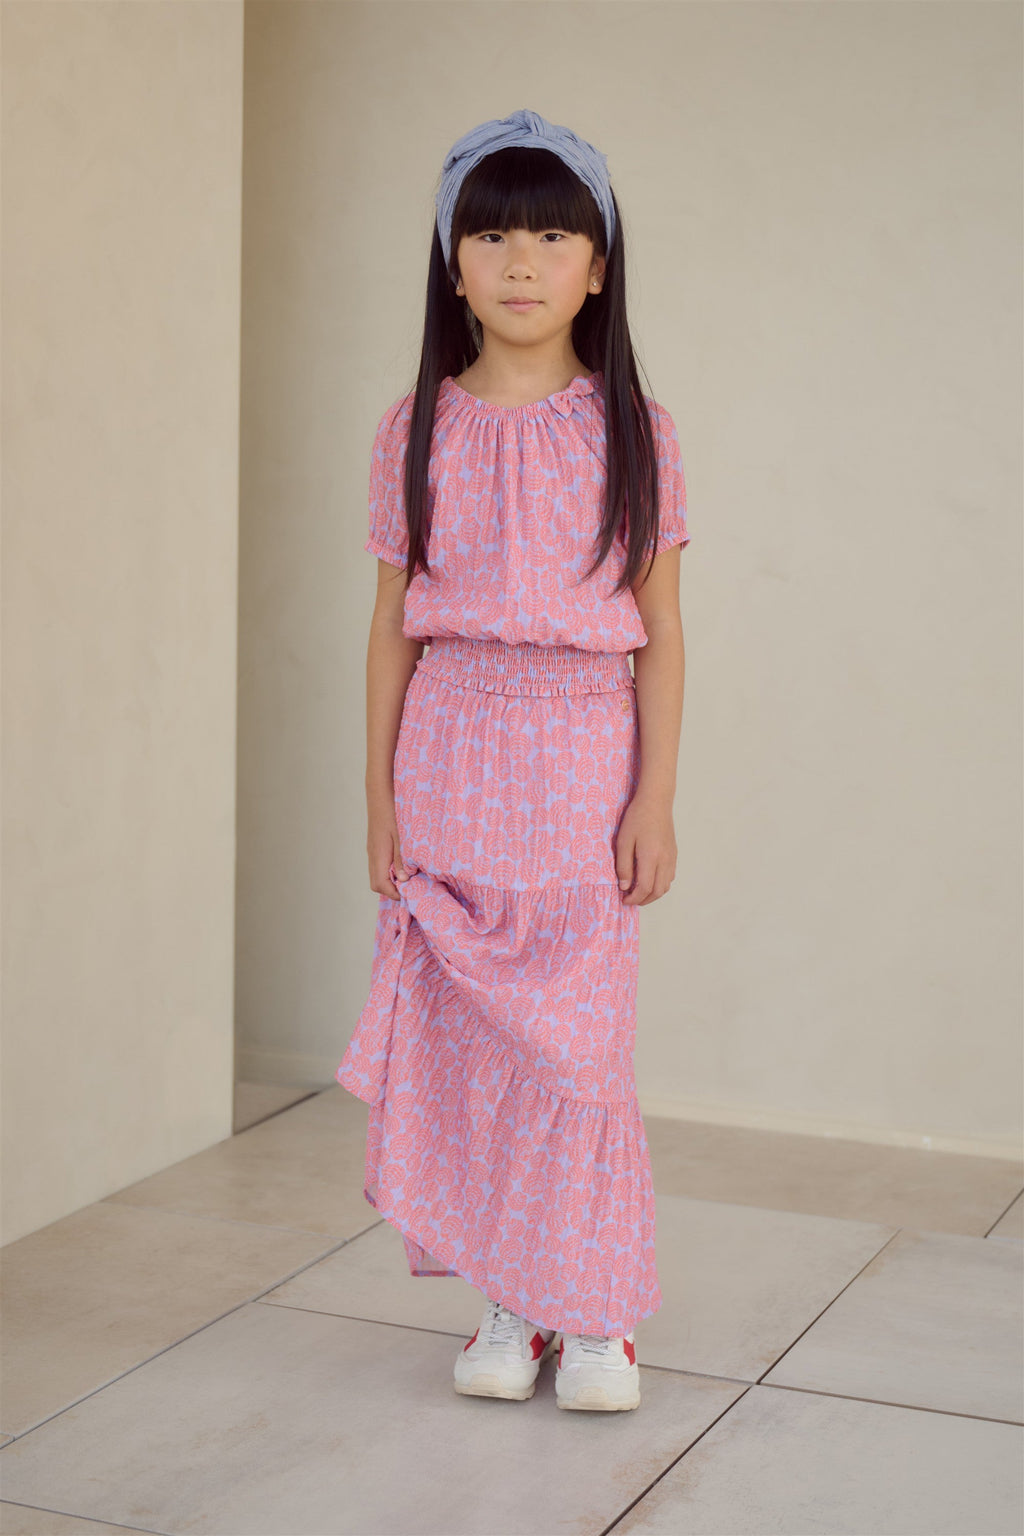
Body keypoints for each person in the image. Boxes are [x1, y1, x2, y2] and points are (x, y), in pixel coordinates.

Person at [336, 108, 691, 1413]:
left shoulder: (635, 429)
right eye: (490, 236)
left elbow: (662, 635)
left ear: (598, 268)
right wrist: (378, 796)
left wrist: (655, 796)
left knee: (577, 1049)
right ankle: (511, 1296)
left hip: (582, 760)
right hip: (451, 756)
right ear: (454, 265)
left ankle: (595, 1313)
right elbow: (391, 627)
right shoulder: (412, 428)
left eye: (551, 236)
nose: (521, 261)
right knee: (473, 1047)